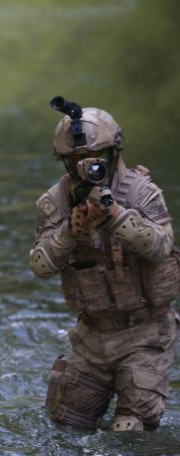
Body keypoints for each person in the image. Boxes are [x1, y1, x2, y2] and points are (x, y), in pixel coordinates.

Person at [30, 97, 179, 431]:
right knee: (67, 427)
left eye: (96, 159)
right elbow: (40, 267)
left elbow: (160, 247)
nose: (87, 168)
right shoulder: (56, 202)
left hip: (146, 331)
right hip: (91, 335)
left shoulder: (142, 193)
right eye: (76, 161)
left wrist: (116, 217)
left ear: (115, 153)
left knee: (130, 427)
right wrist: (70, 232)